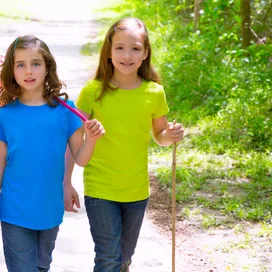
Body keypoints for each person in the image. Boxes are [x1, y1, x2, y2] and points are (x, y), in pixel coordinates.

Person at [64, 17, 185, 272]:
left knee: (124, 257)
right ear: (108, 52)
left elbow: (159, 134)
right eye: (119, 47)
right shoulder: (93, 91)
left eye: (135, 48)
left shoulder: (154, 92)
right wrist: (67, 182)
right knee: (108, 257)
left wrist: (170, 134)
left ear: (145, 53)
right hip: (100, 188)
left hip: (136, 190)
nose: (127, 55)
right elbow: (72, 140)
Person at [0, 35, 105, 272]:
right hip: (14, 209)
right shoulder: (6, 115)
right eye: (20, 64)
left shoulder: (65, 111)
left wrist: (91, 139)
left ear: (47, 67)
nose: (28, 71)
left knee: (42, 267)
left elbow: (81, 158)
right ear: (12, 70)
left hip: (50, 210)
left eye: (36, 63)